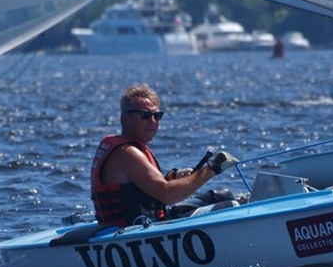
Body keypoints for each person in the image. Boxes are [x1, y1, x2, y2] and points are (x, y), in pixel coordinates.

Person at [91, 83, 238, 227]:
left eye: (157, 116)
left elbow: (143, 187)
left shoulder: (129, 147)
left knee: (222, 195)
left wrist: (173, 176)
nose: (152, 121)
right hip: (136, 228)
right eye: (145, 115)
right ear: (125, 118)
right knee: (230, 206)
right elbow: (167, 195)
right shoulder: (128, 153)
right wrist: (211, 170)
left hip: (153, 219)